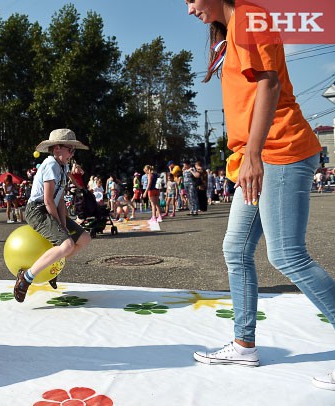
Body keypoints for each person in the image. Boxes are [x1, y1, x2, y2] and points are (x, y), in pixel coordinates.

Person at [185, 0, 335, 390]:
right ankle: (244, 343)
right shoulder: (234, 27)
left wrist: (253, 154)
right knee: (236, 249)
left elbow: (269, 81)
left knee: (286, 254)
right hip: (256, 155)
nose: (188, 9)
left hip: (279, 151)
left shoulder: (251, 16)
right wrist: (248, 155)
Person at [14, 129, 91, 302]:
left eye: (73, 150)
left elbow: (60, 200)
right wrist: (61, 227)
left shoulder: (63, 167)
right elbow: (48, 200)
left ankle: (52, 269)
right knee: (66, 244)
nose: (72, 153)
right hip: (37, 210)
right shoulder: (50, 165)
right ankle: (25, 278)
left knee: (84, 238)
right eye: (70, 149)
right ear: (57, 149)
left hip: (51, 208)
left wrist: (63, 224)